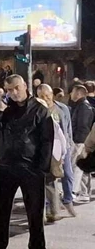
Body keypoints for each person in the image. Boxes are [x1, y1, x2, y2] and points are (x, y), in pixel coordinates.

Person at [0, 75, 53, 249]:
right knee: (1, 211)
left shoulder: (39, 110)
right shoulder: (4, 109)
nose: (13, 93)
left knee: (35, 212)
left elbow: (47, 140)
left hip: (31, 168)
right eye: (9, 90)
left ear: (25, 86)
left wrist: (42, 168)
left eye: (16, 88)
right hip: (5, 167)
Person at [37, 84, 74, 221]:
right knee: (48, 179)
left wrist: (68, 146)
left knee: (67, 175)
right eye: (42, 96)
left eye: (47, 96)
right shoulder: (37, 109)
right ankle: (50, 209)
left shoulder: (62, 109)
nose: (45, 99)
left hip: (62, 148)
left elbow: (67, 128)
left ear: (52, 94)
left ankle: (68, 200)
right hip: (46, 150)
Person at [68, 83, 94, 203]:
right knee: (81, 167)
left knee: (77, 166)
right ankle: (83, 192)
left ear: (78, 93)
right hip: (82, 140)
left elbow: (83, 126)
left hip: (80, 141)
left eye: (73, 91)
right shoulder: (82, 106)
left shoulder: (83, 107)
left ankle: (75, 191)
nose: (71, 94)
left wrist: (77, 141)